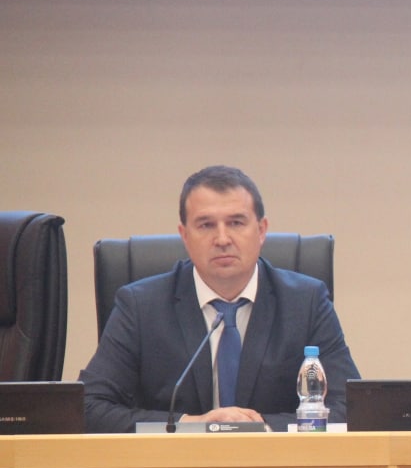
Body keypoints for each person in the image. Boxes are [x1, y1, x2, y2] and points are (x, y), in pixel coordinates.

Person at [81, 165, 360, 433]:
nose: (223, 239)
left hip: (277, 462)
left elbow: (350, 407)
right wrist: (190, 425)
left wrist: (259, 429)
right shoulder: (140, 307)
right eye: (206, 225)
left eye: (236, 223)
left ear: (261, 230)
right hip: (175, 463)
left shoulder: (306, 302)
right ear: (185, 235)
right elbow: (87, 407)